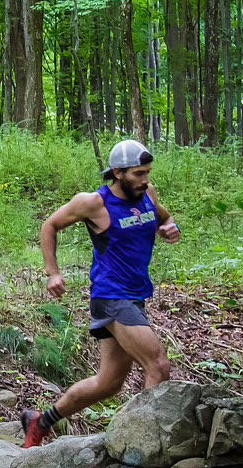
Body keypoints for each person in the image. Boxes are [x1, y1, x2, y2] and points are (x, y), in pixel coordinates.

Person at [19, 139, 180, 447]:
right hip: (111, 295)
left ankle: (41, 421)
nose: (145, 179)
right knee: (158, 365)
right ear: (117, 172)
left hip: (135, 295)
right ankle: (142, 446)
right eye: (138, 174)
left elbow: (164, 218)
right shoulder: (94, 203)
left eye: (147, 172)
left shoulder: (147, 194)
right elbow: (49, 225)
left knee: (108, 383)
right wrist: (53, 272)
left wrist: (170, 227)